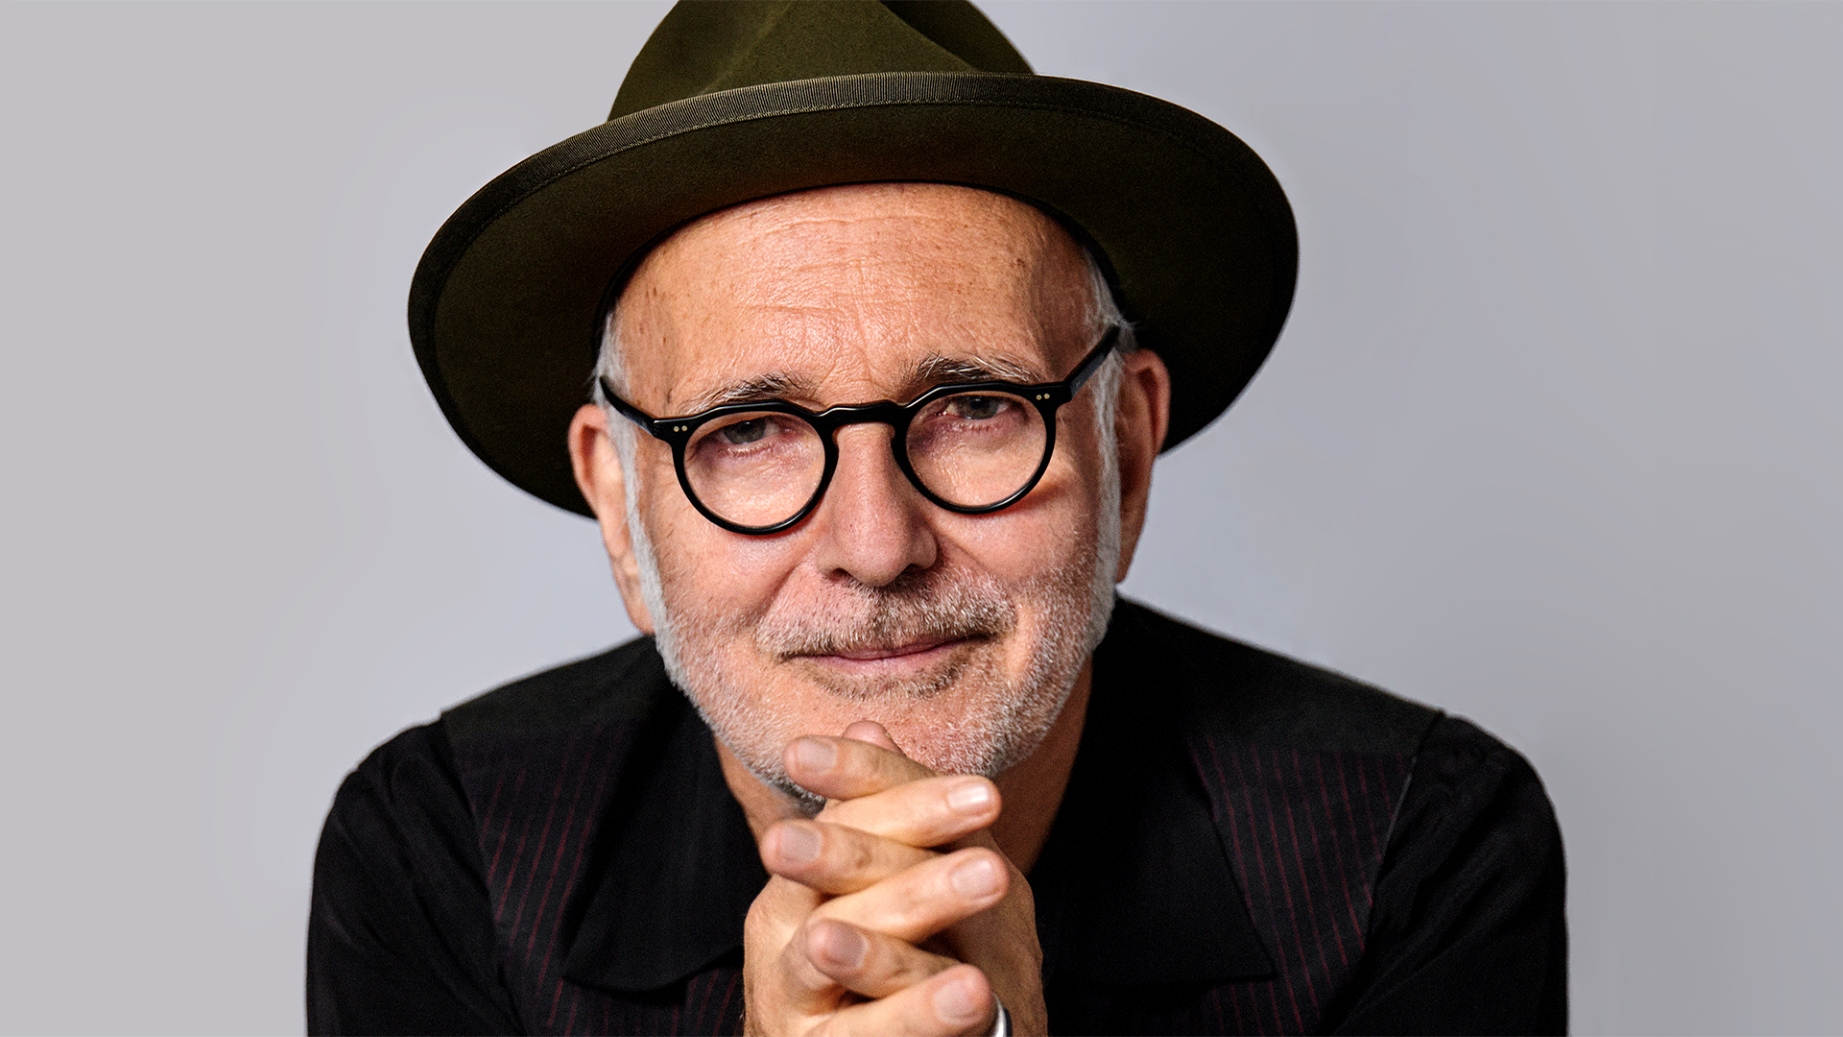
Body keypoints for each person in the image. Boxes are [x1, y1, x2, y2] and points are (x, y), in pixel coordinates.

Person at [307, 2, 1566, 1034]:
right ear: (619, 507)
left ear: (1125, 448)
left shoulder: (1413, 846)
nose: (875, 545)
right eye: (745, 431)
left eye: (974, 407)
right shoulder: (445, 855)